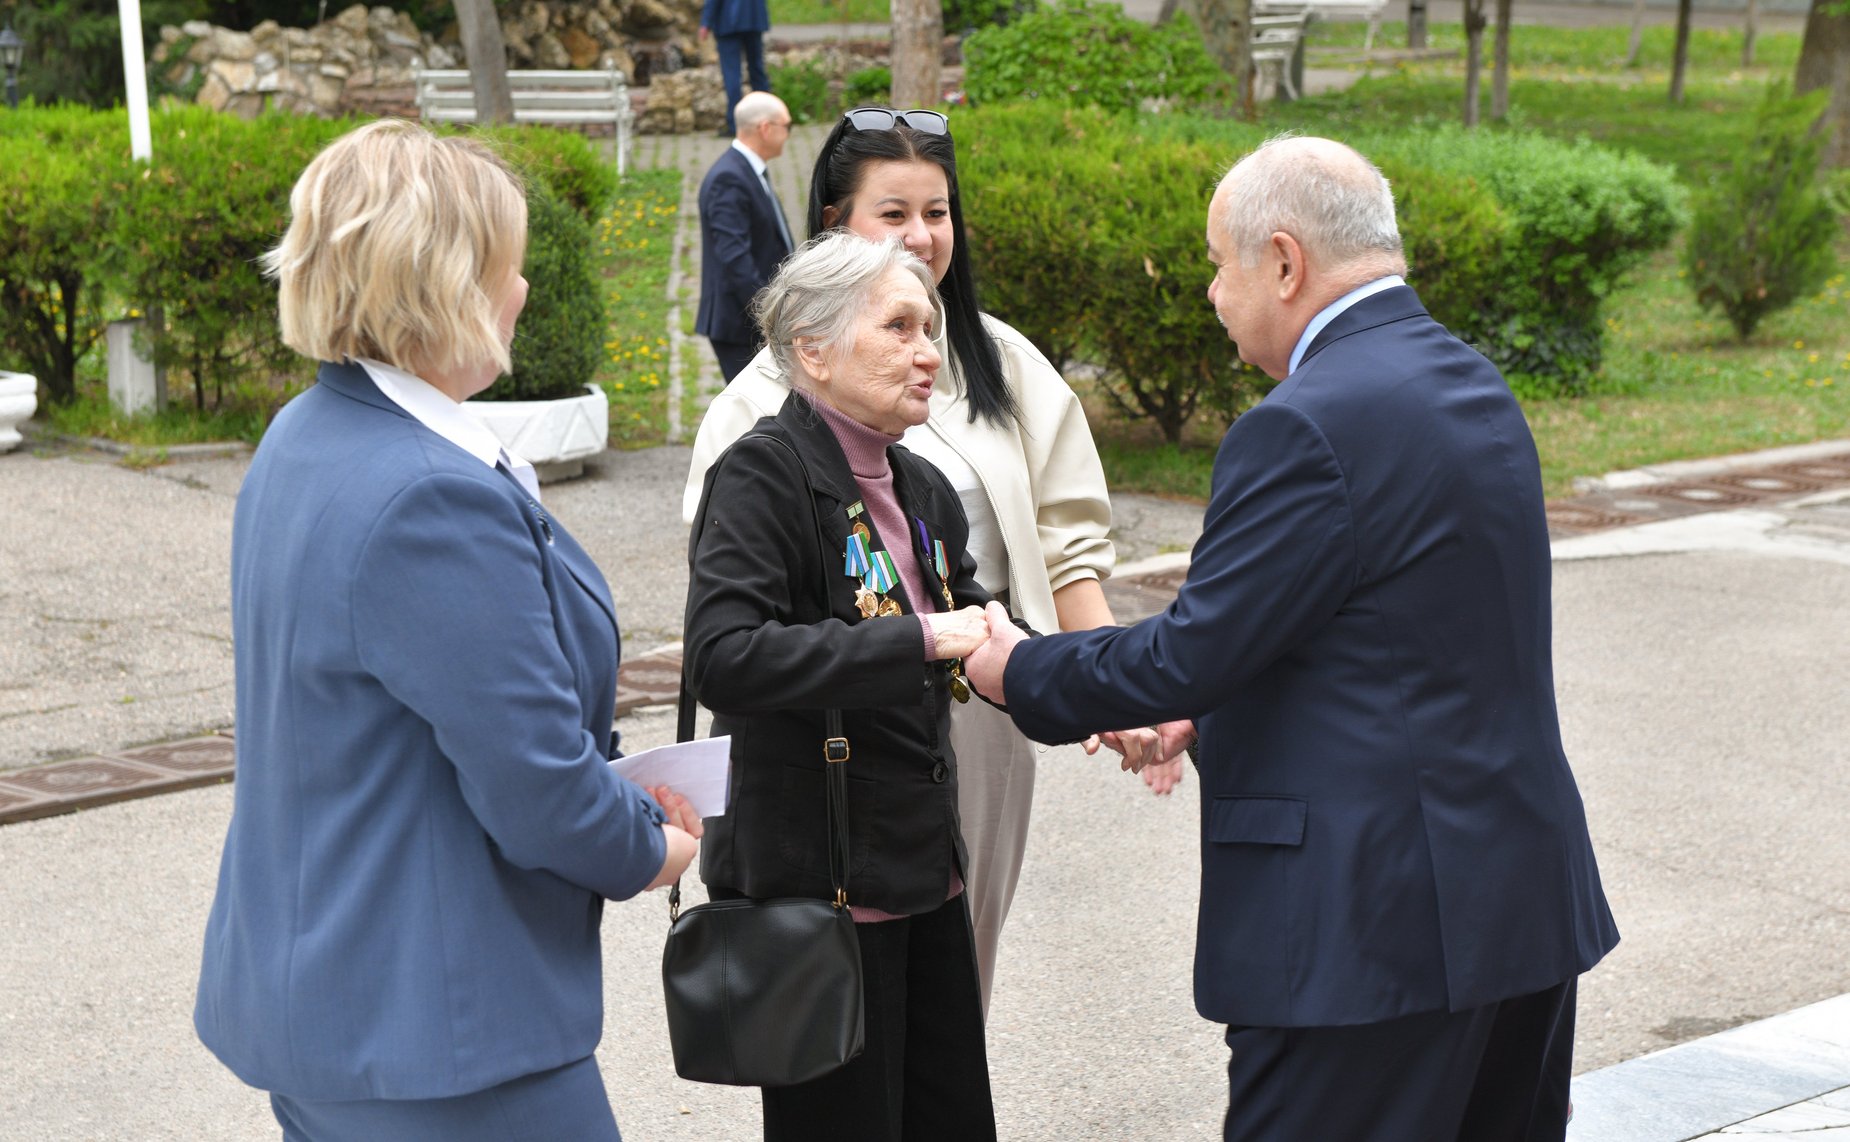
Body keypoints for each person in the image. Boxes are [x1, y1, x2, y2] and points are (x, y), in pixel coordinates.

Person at [964, 136, 1619, 1141]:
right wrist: (1218, 699)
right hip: (1514, 906)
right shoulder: (1467, 379)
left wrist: (1021, 667)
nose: (1213, 293)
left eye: (1218, 264)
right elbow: (1377, 636)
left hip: (1370, 934)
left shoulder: (1302, 424)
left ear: (1281, 261)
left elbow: (1190, 651)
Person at [192, 120, 702, 1141]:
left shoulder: (307, 433)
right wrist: (652, 844)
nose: (522, 291)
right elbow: (538, 789)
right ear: (451, 284)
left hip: (333, 1004)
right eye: (509, 267)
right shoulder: (427, 496)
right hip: (444, 1031)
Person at [682, 105, 1176, 1014]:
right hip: (826, 747)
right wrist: (913, 640)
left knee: (951, 990)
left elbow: (1066, 554)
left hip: (977, 718)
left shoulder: (996, 369)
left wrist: (1106, 691)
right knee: (841, 1023)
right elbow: (731, 628)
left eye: (937, 213)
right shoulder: (761, 418)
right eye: (893, 213)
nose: (922, 236)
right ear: (835, 226)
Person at [683, 231, 998, 1139]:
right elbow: (724, 655)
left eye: (931, 328)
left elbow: (975, 627)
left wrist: (1107, 700)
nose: (927, 351)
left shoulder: (924, 485)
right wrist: (917, 639)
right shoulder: (762, 474)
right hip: (822, 897)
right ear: (811, 348)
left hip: (925, 877)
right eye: (898, 327)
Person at [695, 90, 794, 381]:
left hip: (751, 321)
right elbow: (736, 261)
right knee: (753, 416)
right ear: (766, 128)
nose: (788, 135)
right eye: (786, 126)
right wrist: (769, 320)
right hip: (742, 325)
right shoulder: (729, 179)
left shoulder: (748, 170)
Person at [698, 0, 771, 137]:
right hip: (754, 19)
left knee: (732, 75)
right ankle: (767, 120)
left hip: (728, 21)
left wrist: (705, 23)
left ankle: (735, 124)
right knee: (757, 71)